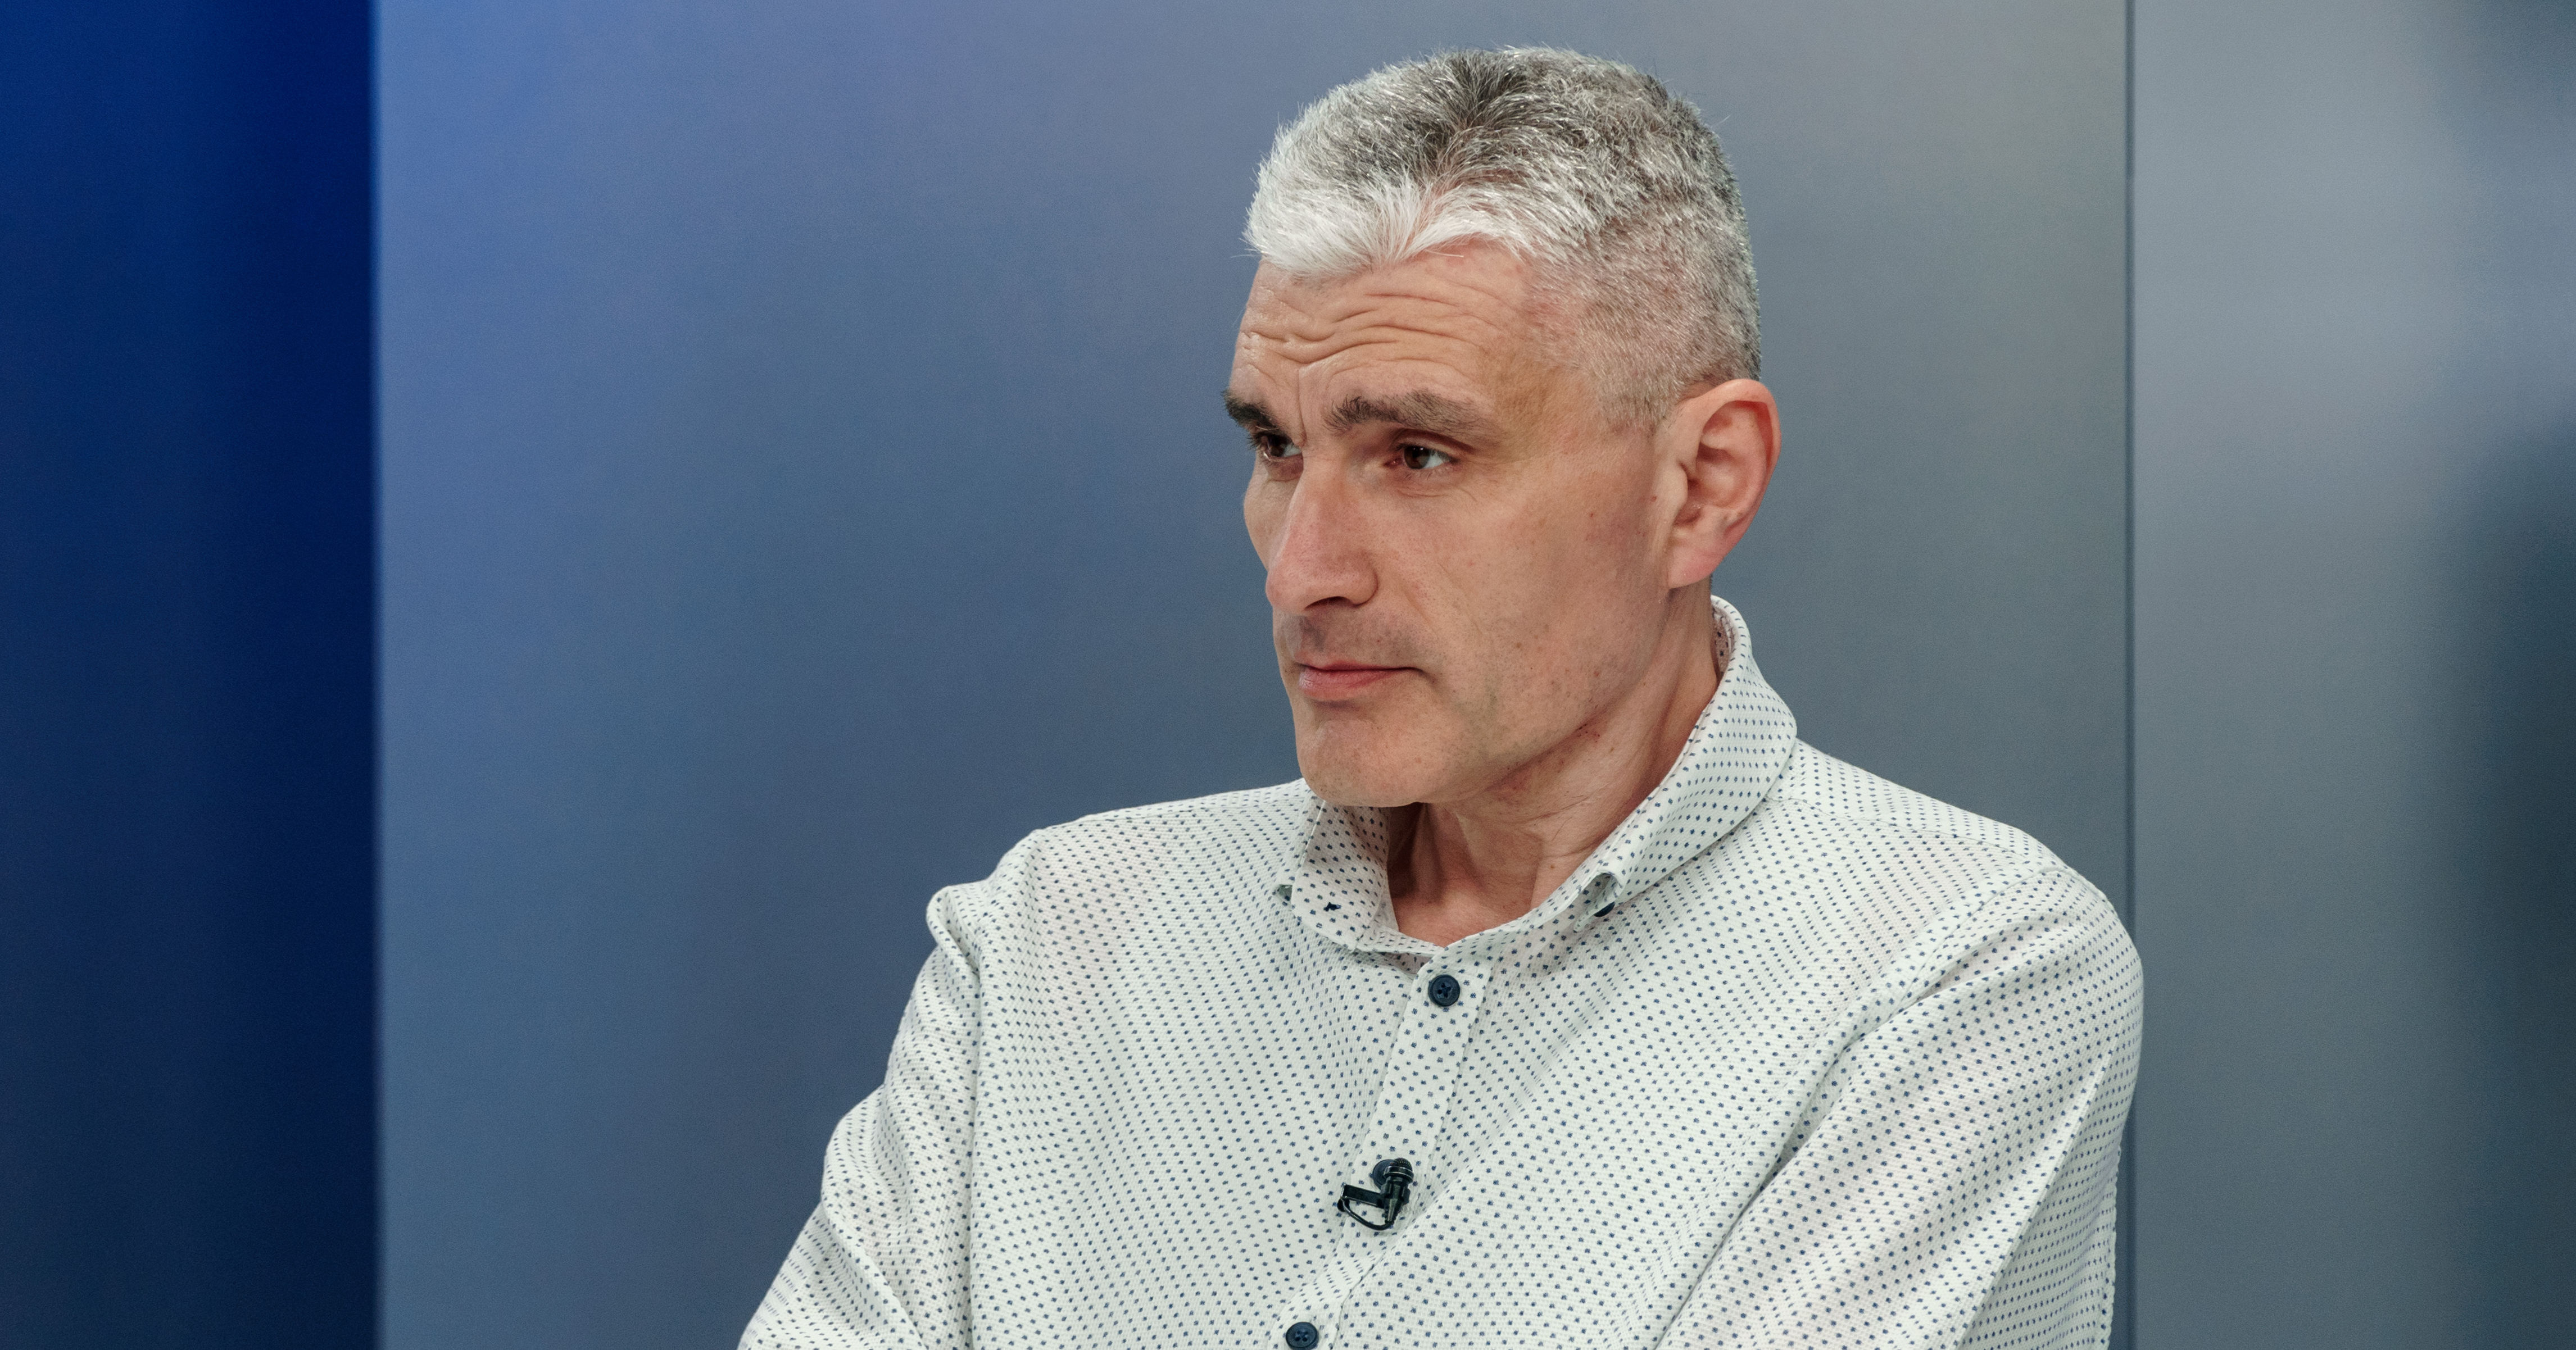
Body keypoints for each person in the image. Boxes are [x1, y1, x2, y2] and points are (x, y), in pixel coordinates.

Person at [742, 47, 2138, 1350]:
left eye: (1418, 453)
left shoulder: (1956, 970)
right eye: (1276, 446)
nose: (1302, 571)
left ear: (1701, 485)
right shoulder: (1048, 936)